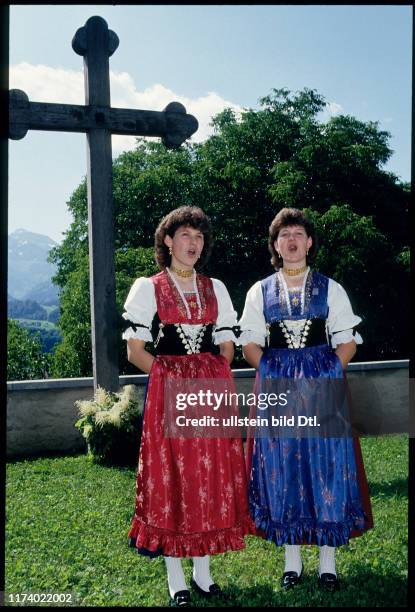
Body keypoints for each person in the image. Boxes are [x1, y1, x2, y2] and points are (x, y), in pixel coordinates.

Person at [122, 206, 255, 607]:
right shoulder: (149, 287)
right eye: (185, 236)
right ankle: (175, 577)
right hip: (170, 394)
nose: (193, 243)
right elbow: (134, 351)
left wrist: (215, 373)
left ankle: (203, 572)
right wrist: (172, 382)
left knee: (208, 478)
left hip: (210, 396)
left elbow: (227, 343)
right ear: (168, 240)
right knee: (174, 480)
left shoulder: (215, 288)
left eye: (198, 237)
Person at [239, 207, 373, 593]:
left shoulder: (331, 288)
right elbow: (250, 342)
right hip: (279, 390)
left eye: (298, 233)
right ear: (276, 245)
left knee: (326, 465)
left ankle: (328, 561)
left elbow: (346, 340)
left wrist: (328, 374)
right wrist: (273, 375)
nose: (292, 240)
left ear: (309, 242)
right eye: (284, 235)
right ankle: (292, 561)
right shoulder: (259, 291)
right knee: (284, 468)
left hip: (322, 389)